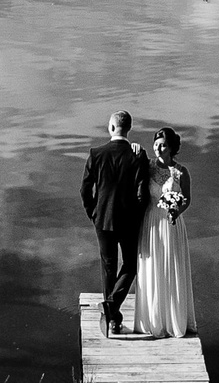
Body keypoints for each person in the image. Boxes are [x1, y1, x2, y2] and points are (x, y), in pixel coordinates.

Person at [80, 109, 149, 336]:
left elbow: (85, 189)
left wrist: (93, 213)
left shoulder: (96, 153)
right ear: (129, 129)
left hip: (103, 219)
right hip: (129, 221)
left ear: (111, 128)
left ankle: (111, 314)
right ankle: (112, 313)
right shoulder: (137, 155)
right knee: (131, 265)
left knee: (108, 267)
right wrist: (137, 218)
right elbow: (142, 195)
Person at [135, 127, 195, 337]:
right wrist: (134, 148)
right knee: (152, 267)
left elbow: (186, 199)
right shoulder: (148, 167)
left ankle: (173, 319)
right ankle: (153, 320)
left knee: (171, 267)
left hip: (172, 224)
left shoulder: (181, 172)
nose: (158, 149)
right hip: (151, 222)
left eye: (163, 146)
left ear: (171, 148)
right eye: (156, 145)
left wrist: (176, 210)